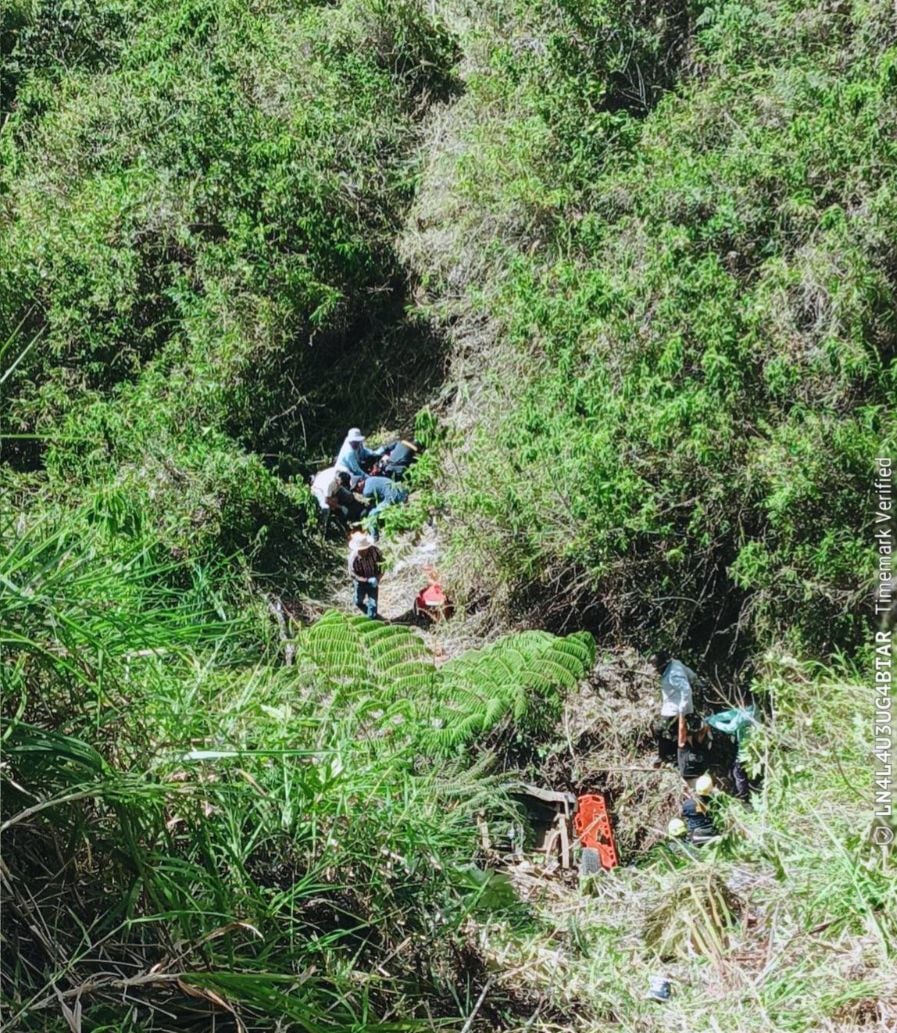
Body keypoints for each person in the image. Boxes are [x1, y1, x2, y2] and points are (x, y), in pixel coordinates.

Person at [650, 650, 702, 766]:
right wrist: (697, 682)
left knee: (660, 730)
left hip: (675, 708)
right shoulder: (675, 663)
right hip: (671, 704)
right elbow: (691, 674)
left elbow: (686, 689)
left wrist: (682, 710)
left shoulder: (673, 675)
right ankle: (671, 755)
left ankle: (663, 756)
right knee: (673, 731)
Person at [705, 706, 761, 801]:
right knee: (742, 772)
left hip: (747, 751)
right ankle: (750, 792)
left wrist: (712, 721)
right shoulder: (752, 708)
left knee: (738, 772)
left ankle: (744, 796)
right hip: (752, 749)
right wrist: (714, 717)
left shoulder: (746, 715)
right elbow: (731, 714)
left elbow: (730, 728)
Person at [352, 475, 408, 539]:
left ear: (361, 481)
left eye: (357, 486)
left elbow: (376, 501)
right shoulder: (369, 479)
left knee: (371, 515)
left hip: (393, 497)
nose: (357, 489)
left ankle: (374, 537)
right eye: (355, 490)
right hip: (401, 490)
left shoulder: (366, 491)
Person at [348, 533, 383, 619]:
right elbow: (353, 574)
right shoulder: (353, 558)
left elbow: (383, 565)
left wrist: (378, 578)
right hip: (360, 583)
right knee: (358, 600)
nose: (363, 552)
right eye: (361, 550)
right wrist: (366, 580)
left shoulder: (375, 552)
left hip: (373, 581)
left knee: (373, 604)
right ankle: (359, 603)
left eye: (365, 549)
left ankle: (371, 619)